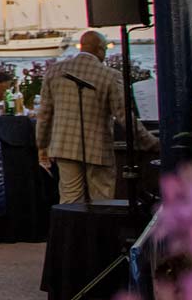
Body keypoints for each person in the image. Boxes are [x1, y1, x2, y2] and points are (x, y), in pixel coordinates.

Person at [38, 31, 128, 204]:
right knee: (102, 198)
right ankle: (100, 231)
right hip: (98, 147)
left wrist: (42, 145)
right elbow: (122, 114)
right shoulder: (110, 75)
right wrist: (147, 141)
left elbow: (44, 115)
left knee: (70, 199)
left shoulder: (54, 70)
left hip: (64, 146)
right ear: (100, 50)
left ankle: (72, 230)